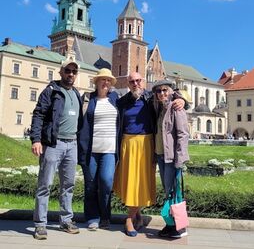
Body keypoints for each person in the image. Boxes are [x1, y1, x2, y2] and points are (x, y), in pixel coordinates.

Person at [113, 72, 186, 237]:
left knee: (142, 181)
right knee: (130, 181)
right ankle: (135, 216)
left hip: (147, 144)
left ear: (143, 82)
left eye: (138, 80)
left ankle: (131, 218)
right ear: (127, 83)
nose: (135, 84)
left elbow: (170, 96)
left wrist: (183, 100)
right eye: (132, 81)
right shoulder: (122, 101)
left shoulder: (150, 97)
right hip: (128, 143)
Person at [30, 59, 83, 240]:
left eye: (74, 72)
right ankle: (40, 225)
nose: (71, 74)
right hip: (53, 144)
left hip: (72, 144)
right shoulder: (51, 91)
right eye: (67, 71)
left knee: (68, 185)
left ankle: (66, 220)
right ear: (60, 72)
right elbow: (39, 114)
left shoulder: (76, 93)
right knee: (45, 185)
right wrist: (36, 139)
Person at [78, 68, 119, 231]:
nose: (105, 82)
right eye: (102, 79)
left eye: (108, 80)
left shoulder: (116, 99)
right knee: (90, 185)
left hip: (109, 150)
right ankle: (93, 218)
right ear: (96, 82)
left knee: (106, 181)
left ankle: (105, 215)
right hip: (90, 150)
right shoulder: (88, 99)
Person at [152, 79, 190, 238]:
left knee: (174, 191)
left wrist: (180, 158)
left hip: (172, 158)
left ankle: (179, 228)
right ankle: (171, 224)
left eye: (165, 90)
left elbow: (183, 134)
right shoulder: (160, 108)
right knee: (169, 191)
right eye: (159, 91)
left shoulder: (176, 107)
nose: (162, 93)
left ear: (171, 91)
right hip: (162, 156)